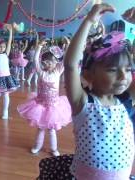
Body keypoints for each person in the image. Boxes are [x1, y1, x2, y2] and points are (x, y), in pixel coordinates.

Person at [64, 4, 134, 179]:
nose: (122, 76)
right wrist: (89, 21)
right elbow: (71, 65)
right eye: (112, 70)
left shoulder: (126, 102)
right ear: (88, 75)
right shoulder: (83, 103)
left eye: (128, 69)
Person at [17, 40, 72, 156]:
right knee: (40, 129)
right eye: (45, 63)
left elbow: (66, 60)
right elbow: (35, 60)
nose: (47, 65)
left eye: (50, 63)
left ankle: (54, 149)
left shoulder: (58, 71)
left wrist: (68, 46)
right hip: (41, 106)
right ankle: (37, 146)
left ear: (55, 63)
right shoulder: (41, 72)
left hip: (54, 107)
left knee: (52, 130)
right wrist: (39, 47)